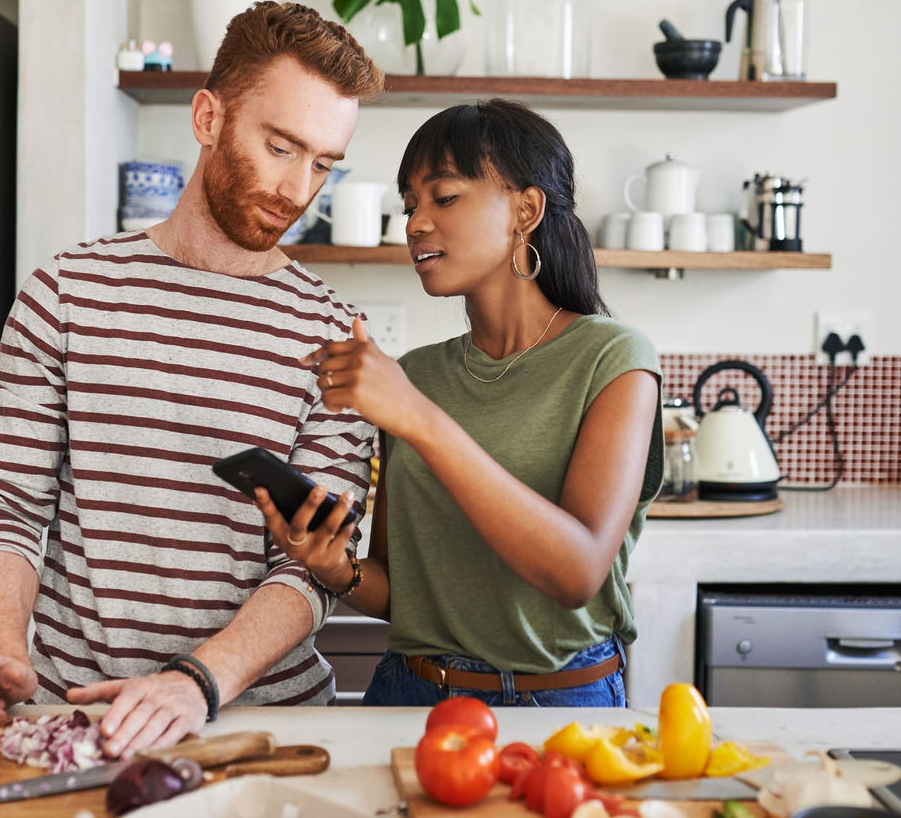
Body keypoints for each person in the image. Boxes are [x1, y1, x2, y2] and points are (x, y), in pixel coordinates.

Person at [0, 1, 384, 756]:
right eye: (280, 146)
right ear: (208, 117)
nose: (297, 189)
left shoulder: (334, 337)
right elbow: (9, 505)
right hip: (73, 719)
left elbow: (312, 567)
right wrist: (6, 652)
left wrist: (196, 680)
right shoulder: (66, 293)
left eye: (322, 163)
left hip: (261, 729)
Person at [262, 100, 664, 708]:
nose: (416, 224)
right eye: (409, 206)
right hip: (410, 693)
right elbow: (400, 592)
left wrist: (419, 418)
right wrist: (334, 568)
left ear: (525, 211)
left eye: (443, 197)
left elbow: (577, 572)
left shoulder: (613, 358)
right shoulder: (417, 374)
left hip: (557, 706)